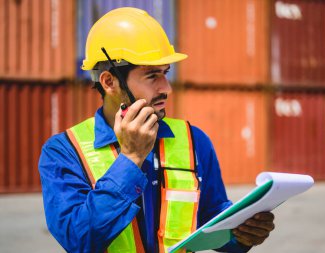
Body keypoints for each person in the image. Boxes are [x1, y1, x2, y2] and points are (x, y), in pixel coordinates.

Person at [39, 7, 275, 253]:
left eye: (165, 74)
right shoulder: (64, 151)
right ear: (109, 82)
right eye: (152, 76)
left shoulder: (195, 141)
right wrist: (130, 159)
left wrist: (243, 235)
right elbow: (79, 240)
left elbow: (211, 220)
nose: (166, 89)